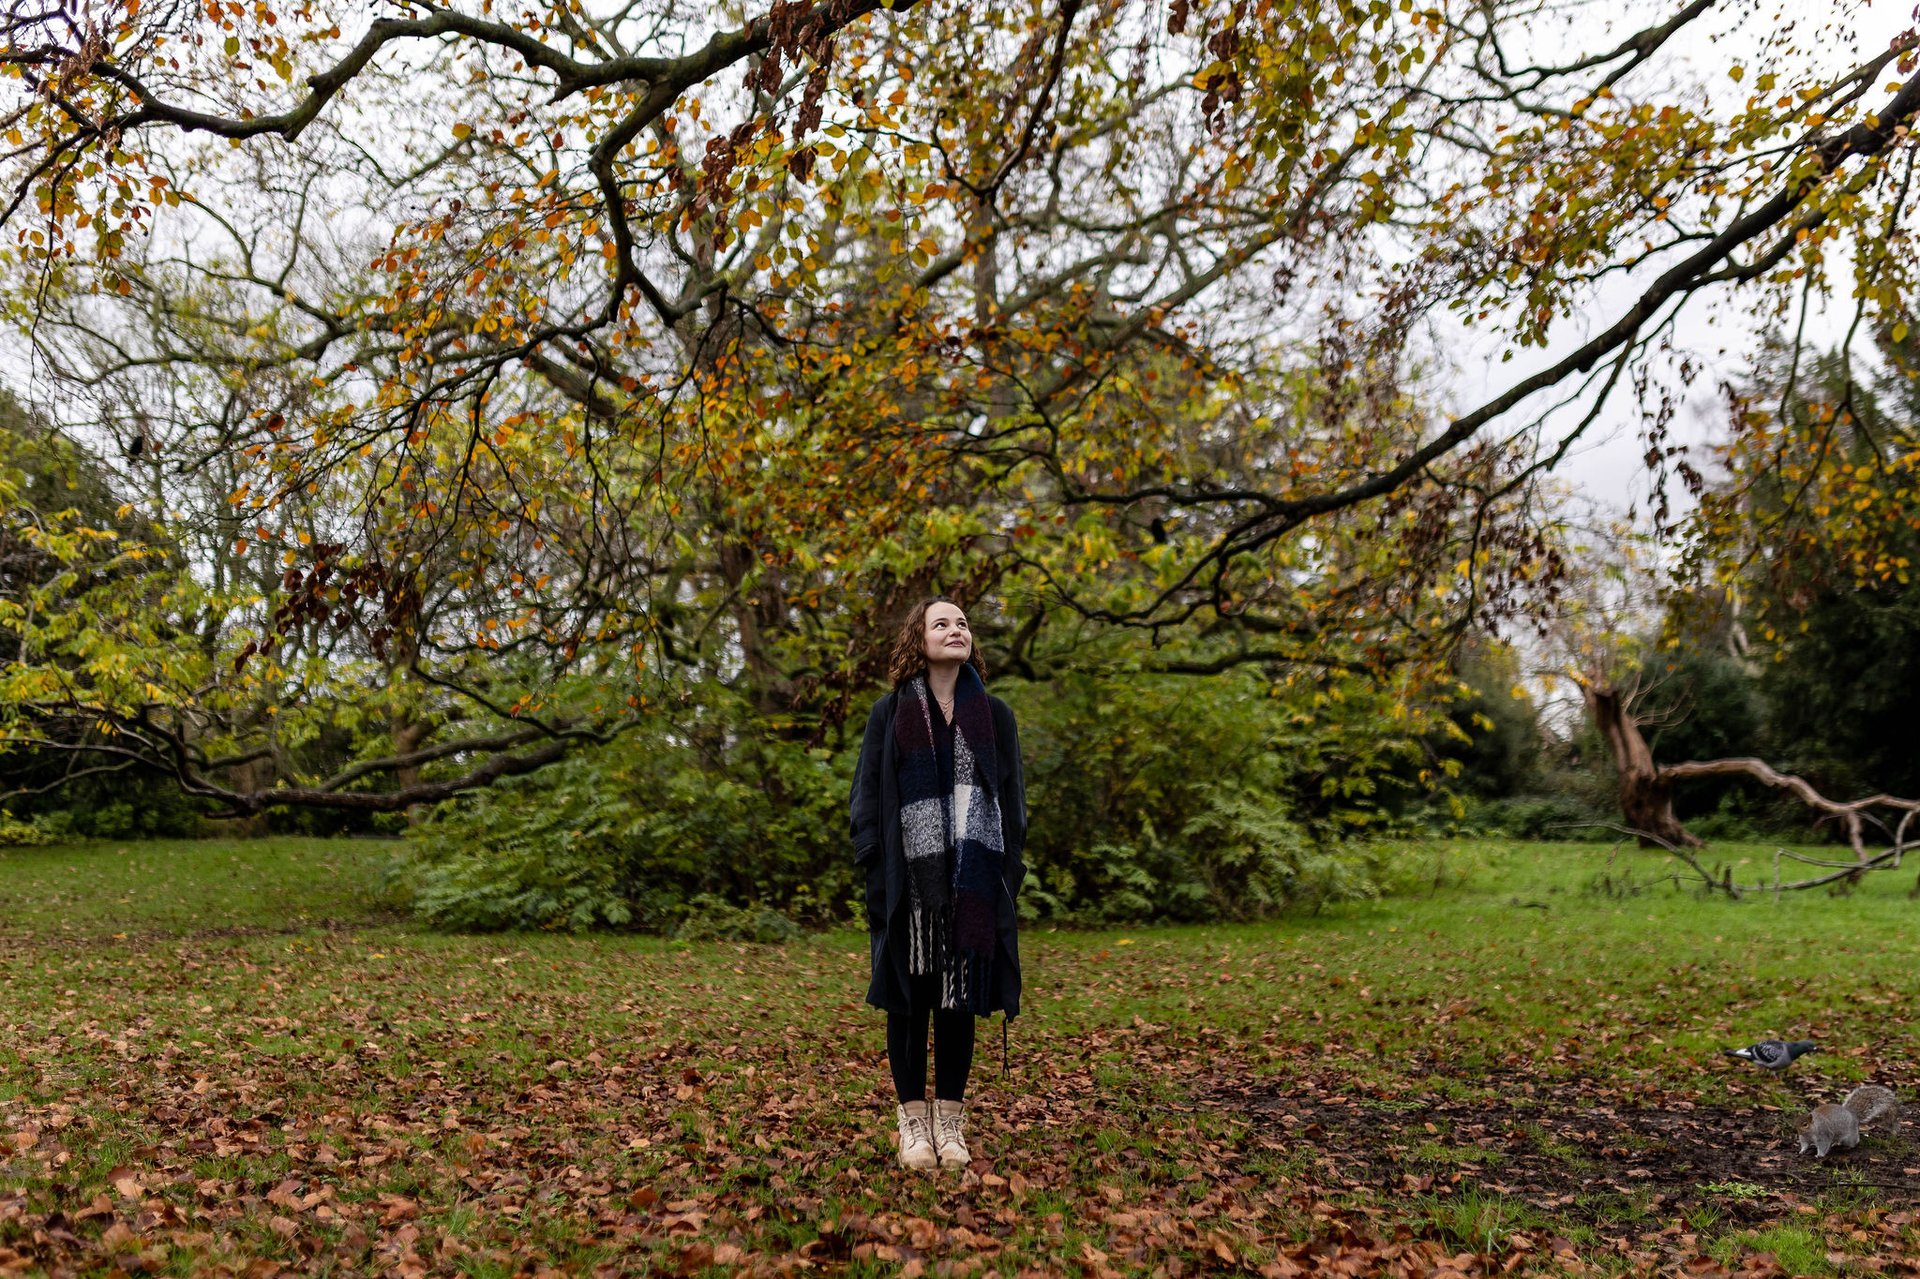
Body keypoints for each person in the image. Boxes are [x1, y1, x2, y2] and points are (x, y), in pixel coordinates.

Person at [848, 596, 1027, 1170]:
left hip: (971, 883)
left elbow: (1014, 804)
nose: (957, 630)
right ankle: (912, 1125)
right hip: (909, 885)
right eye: (942, 623)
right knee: (909, 1004)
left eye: (963, 623)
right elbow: (867, 798)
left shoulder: (994, 715)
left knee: (959, 1000)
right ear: (918, 639)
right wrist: (875, 870)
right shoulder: (891, 711)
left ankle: (950, 1123)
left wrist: (1008, 873)